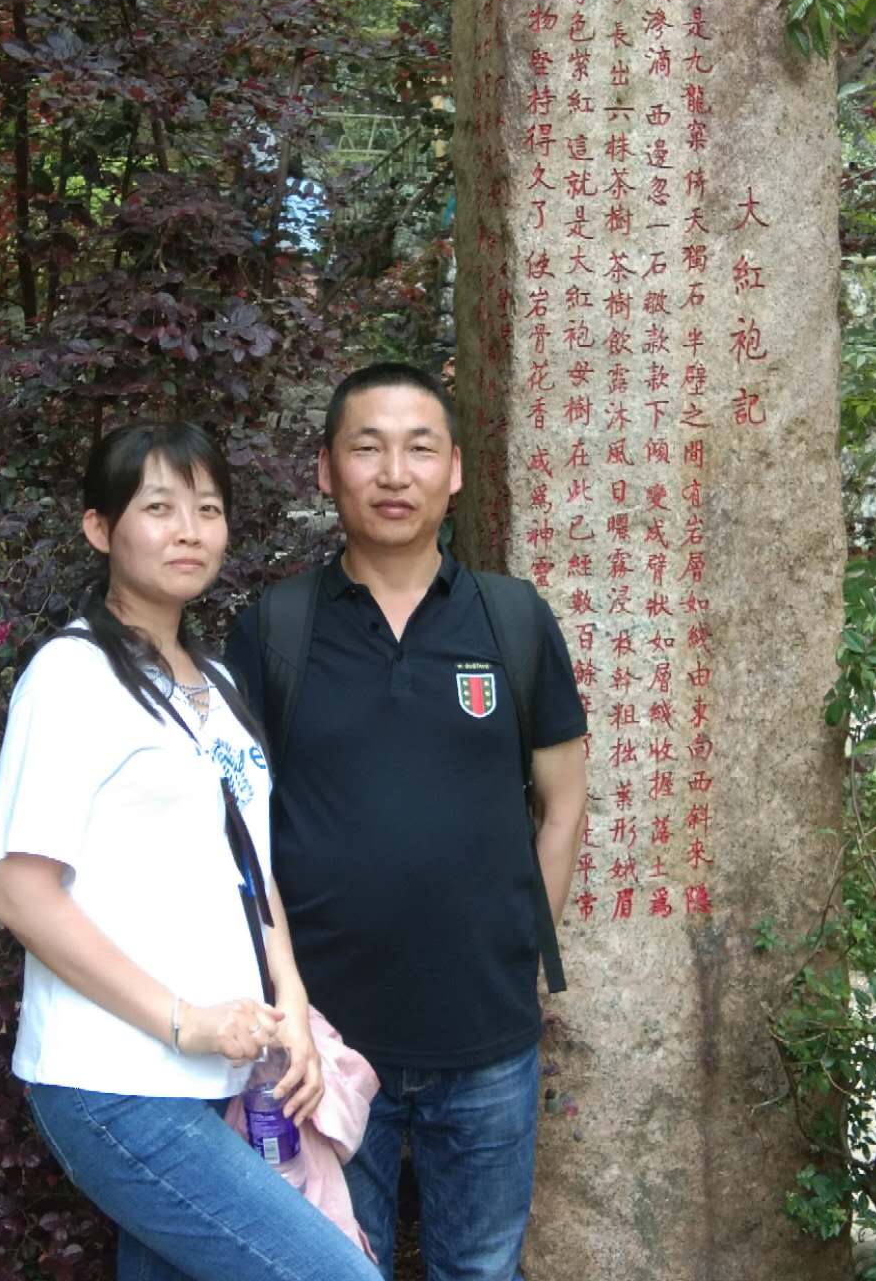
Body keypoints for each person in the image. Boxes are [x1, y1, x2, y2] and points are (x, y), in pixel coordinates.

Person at [0, 420, 381, 1281]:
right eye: (158, 508)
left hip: (218, 1077)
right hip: (114, 1079)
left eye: (207, 508)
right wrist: (183, 1020)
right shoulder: (71, 677)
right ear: (100, 528)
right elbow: (22, 893)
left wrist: (292, 1005)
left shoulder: (218, 684)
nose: (189, 530)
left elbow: (250, 869)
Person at [226, 363, 589, 1281]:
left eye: (420, 448)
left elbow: (563, 801)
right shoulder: (274, 629)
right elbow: (237, 831)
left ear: (454, 470)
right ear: (326, 469)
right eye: (368, 448)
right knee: (336, 1267)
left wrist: (517, 953)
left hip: (487, 1037)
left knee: (483, 1268)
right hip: (326, 1043)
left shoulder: (512, 619)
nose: (395, 473)